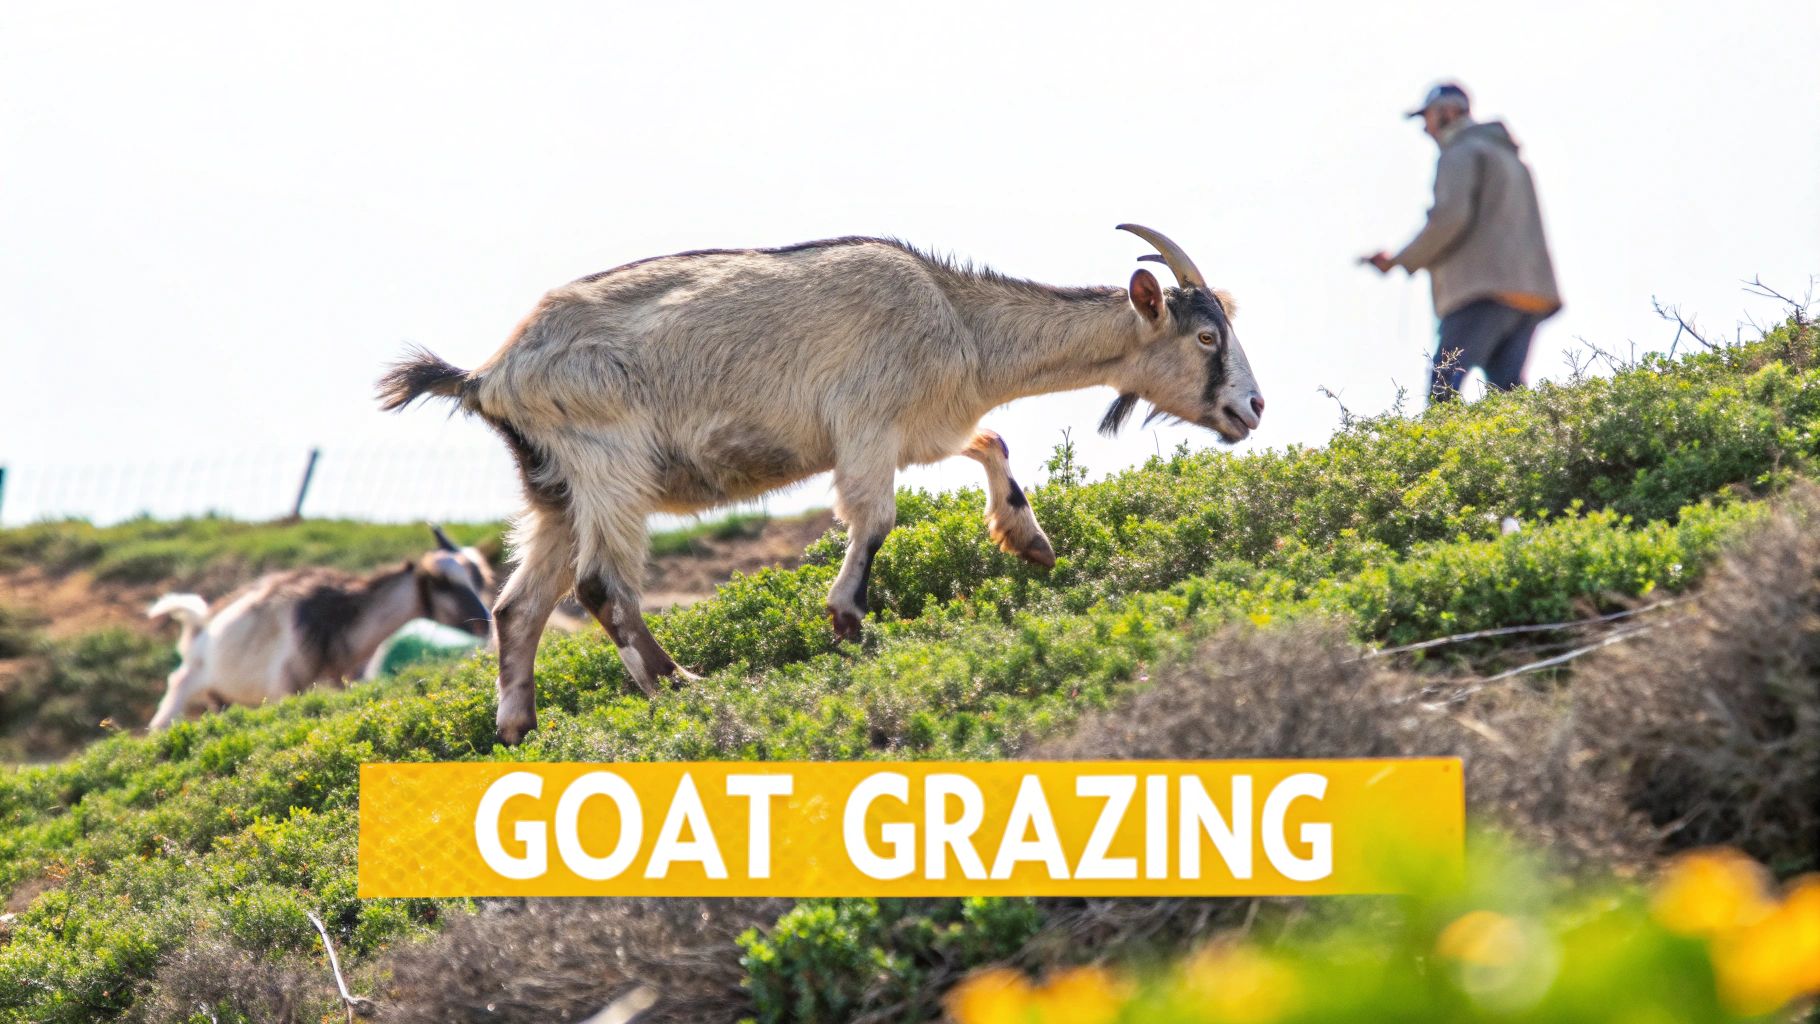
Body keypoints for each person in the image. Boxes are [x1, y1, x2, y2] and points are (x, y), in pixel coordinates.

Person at [1364, 83, 1561, 403]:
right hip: (1530, 294)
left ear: (1448, 112)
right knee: (1509, 395)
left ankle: (1441, 440)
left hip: (1483, 291)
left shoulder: (1460, 152)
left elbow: (1449, 219)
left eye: (1427, 118)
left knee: (1443, 386)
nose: (1425, 129)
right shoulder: (1508, 157)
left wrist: (1402, 259)